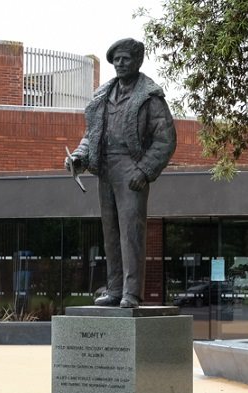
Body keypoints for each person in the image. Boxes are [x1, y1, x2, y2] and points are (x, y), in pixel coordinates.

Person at [65, 38, 177, 308]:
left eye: (125, 58)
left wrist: (145, 169)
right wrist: (79, 157)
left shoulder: (150, 97)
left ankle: (131, 293)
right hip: (105, 168)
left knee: (131, 233)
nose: (120, 63)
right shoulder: (103, 95)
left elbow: (166, 139)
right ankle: (115, 289)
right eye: (116, 59)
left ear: (138, 61)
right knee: (111, 234)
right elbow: (92, 135)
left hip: (131, 167)